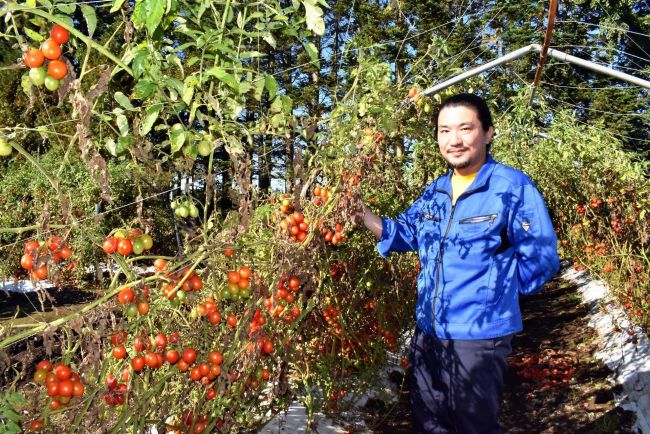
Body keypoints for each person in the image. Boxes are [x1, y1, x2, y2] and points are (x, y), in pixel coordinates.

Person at [359, 93, 560, 434]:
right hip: (428, 331)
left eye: (465, 128)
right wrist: (361, 215)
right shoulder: (435, 191)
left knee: (473, 425)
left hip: (479, 335)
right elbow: (405, 232)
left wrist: (498, 294)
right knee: (430, 421)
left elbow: (541, 257)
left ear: (488, 133)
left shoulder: (511, 187)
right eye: (444, 130)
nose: (454, 140)